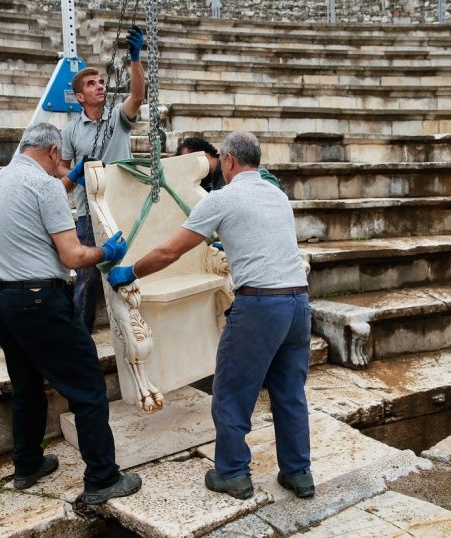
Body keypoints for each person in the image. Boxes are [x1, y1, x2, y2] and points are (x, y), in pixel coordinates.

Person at [108, 132, 314, 500]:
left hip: (260, 307)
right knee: (289, 393)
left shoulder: (224, 197)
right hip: (297, 304)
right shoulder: (277, 195)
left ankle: (232, 473)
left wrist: (132, 270)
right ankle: (298, 474)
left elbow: (171, 251)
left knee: (231, 392)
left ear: (230, 160)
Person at [0, 122, 141, 505]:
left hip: (0, 300)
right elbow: (72, 255)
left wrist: (65, 181)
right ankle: (103, 478)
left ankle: (27, 466)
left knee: (26, 386)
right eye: (60, 160)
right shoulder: (46, 186)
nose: (62, 167)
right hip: (39, 301)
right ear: (53, 152)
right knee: (87, 387)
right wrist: (105, 253)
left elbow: (35, 210)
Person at [58, 25, 146, 333]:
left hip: (123, 205)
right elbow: (61, 168)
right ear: (80, 96)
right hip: (88, 211)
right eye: (92, 83)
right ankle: (79, 335)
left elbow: (137, 95)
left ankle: (136, 326)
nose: (100, 86)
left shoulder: (118, 117)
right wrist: (75, 175)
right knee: (88, 277)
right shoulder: (69, 131)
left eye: (101, 82)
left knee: (132, 265)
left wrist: (135, 58)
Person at [175, 136, 281, 191]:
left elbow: (271, 186)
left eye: (189, 163)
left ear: (204, 157)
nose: (188, 169)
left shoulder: (239, 165)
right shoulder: (199, 182)